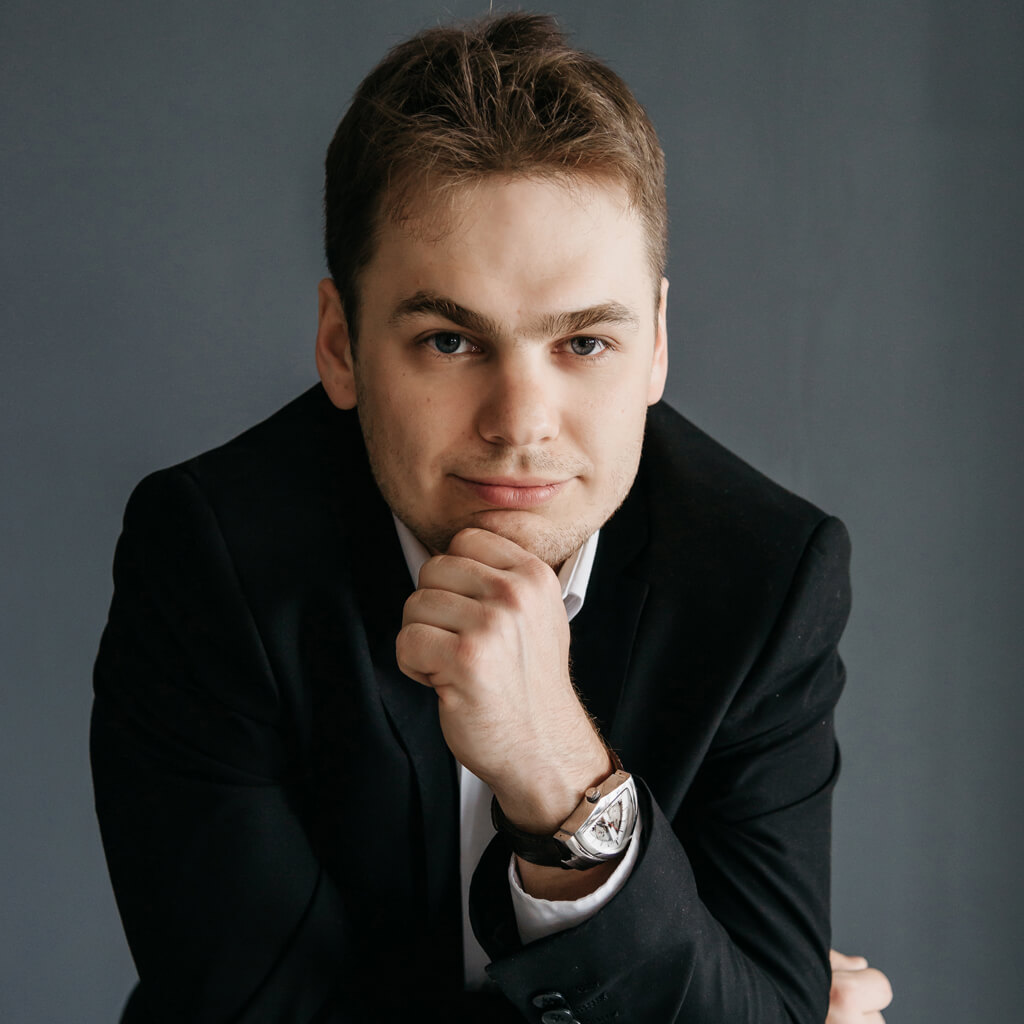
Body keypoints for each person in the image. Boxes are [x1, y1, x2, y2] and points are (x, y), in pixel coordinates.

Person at [92, 12, 892, 1023]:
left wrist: (560, 773)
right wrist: (683, 982)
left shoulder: (766, 576)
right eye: (449, 341)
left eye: (585, 344)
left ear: (654, 345)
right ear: (340, 345)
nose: (520, 425)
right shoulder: (211, 556)